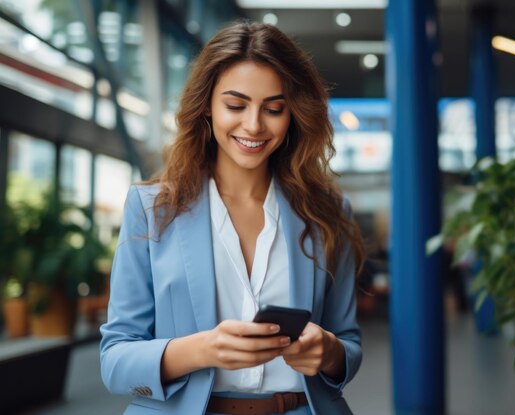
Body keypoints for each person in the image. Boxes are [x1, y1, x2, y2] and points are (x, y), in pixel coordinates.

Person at [100, 21, 365, 415]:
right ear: (206, 105)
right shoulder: (152, 208)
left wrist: (329, 353)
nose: (254, 125)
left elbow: (348, 345)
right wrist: (201, 350)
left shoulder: (326, 213)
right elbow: (115, 361)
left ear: (293, 113)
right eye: (236, 105)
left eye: (274, 109)